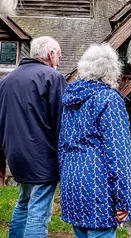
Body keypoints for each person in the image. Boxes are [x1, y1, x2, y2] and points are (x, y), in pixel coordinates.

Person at [58, 43, 131, 237]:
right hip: (98, 190)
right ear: (112, 71)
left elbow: (61, 147)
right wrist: (123, 200)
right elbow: (119, 155)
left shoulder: (70, 101)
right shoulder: (109, 99)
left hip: (72, 185)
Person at [0, 36, 66, 237]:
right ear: (50, 54)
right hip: (42, 156)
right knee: (39, 211)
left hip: (15, 154)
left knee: (23, 203)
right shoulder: (52, 77)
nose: (59, 61)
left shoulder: (5, 81)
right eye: (59, 56)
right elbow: (61, 122)